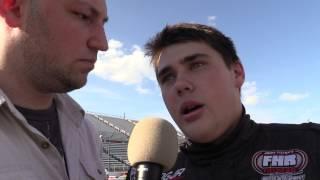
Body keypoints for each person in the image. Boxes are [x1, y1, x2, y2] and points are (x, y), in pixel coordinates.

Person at [127, 23, 320, 180]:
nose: (180, 84)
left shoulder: (311, 145)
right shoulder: (147, 172)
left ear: (237, 73)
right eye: (167, 77)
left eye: (197, 65)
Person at [0, 0, 108, 179]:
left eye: (102, 24)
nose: (103, 44)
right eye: (83, 16)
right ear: (15, 9)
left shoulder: (85, 132)